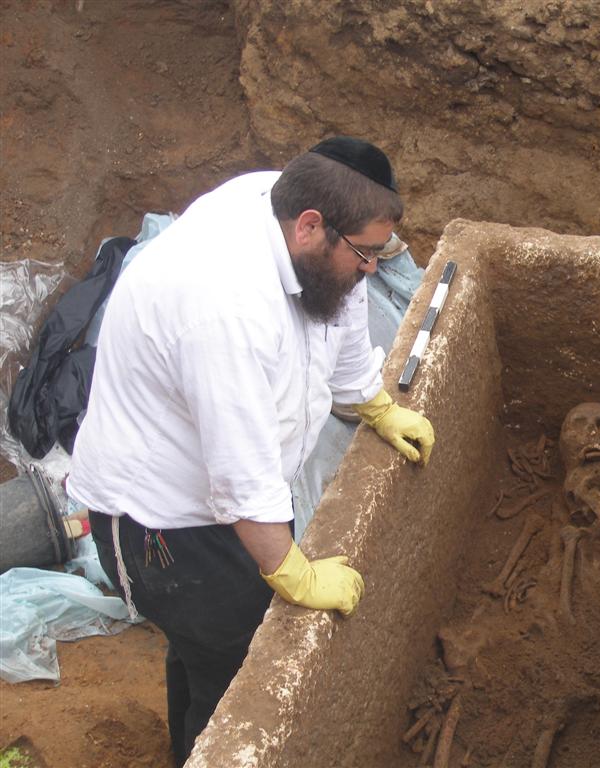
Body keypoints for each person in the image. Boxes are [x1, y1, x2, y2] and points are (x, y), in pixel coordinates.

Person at [66, 136, 436, 767]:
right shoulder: (223, 307)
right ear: (312, 227)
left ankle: (188, 744)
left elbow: (342, 304)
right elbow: (240, 473)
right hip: (162, 526)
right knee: (239, 680)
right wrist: (293, 572)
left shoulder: (295, 210)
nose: (373, 270)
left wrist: (368, 398)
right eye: (366, 254)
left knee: (206, 654)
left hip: (210, 499)